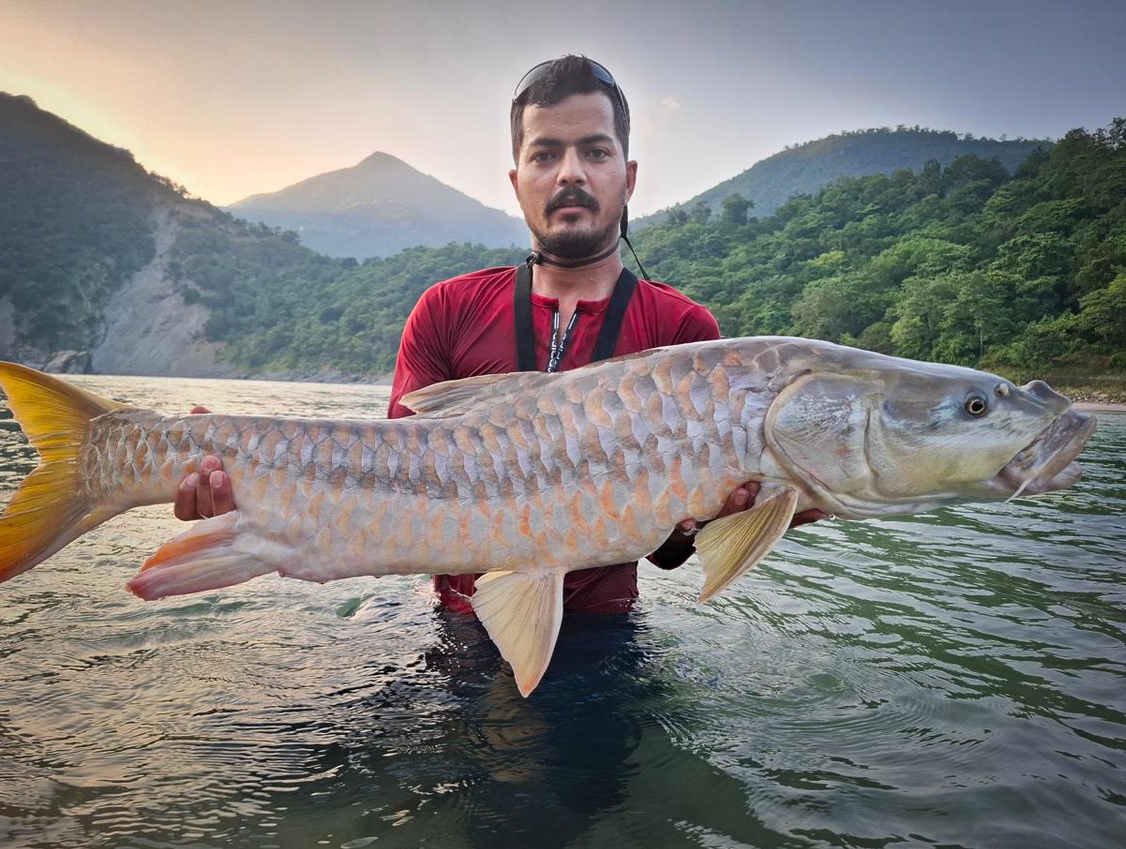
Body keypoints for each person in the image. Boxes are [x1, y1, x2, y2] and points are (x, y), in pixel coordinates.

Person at [175, 55, 821, 615]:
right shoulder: (446, 310)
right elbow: (388, 486)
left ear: (629, 178)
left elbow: (670, 553)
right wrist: (250, 495)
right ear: (517, 183)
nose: (571, 172)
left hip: (603, 642)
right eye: (545, 154)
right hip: (449, 632)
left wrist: (711, 522)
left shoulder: (686, 338)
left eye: (595, 152)